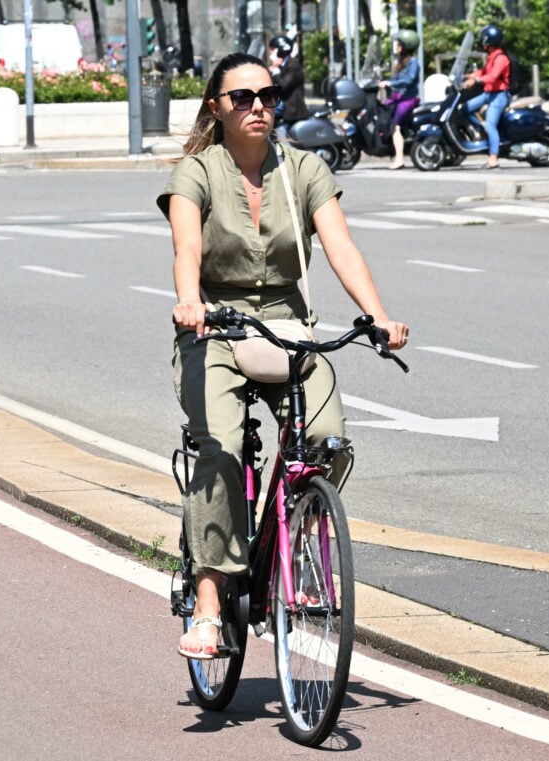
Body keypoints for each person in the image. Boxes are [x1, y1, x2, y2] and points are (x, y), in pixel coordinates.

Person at [157, 53, 408, 660]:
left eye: (267, 96)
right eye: (241, 98)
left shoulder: (305, 169)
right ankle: (212, 602)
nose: (258, 107)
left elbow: (341, 245)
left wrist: (376, 314)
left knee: (327, 442)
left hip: (289, 328)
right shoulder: (197, 171)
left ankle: (292, 538)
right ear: (217, 108)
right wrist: (190, 302)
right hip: (214, 327)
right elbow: (186, 246)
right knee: (220, 446)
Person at [462, 24, 510, 169]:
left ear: (489, 40)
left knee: (490, 124)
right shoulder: (492, 56)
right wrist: (468, 76)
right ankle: (480, 128)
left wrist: (475, 81)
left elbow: (493, 76)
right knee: (465, 109)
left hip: (500, 95)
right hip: (489, 93)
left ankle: (493, 158)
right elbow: (484, 72)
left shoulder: (501, 58)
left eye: (484, 38)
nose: (482, 40)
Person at [382, 30, 421, 170]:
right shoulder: (401, 62)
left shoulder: (413, 62)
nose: (396, 46)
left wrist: (391, 84)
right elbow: (394, 80)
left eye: (399, 44)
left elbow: (409, 80)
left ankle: (399, 158)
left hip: (408, 99)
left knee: (395, 126)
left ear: (406, 46)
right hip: (399, 98)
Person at [267, 35, 308, 127]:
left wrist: (276, 70)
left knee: (265, 109)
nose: (270, 52)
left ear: (281, 49)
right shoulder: (280, 65)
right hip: (280, 102)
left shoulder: (293, 65)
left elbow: (283, 85)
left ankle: (280, 139)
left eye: (273, 49)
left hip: (289, 106)